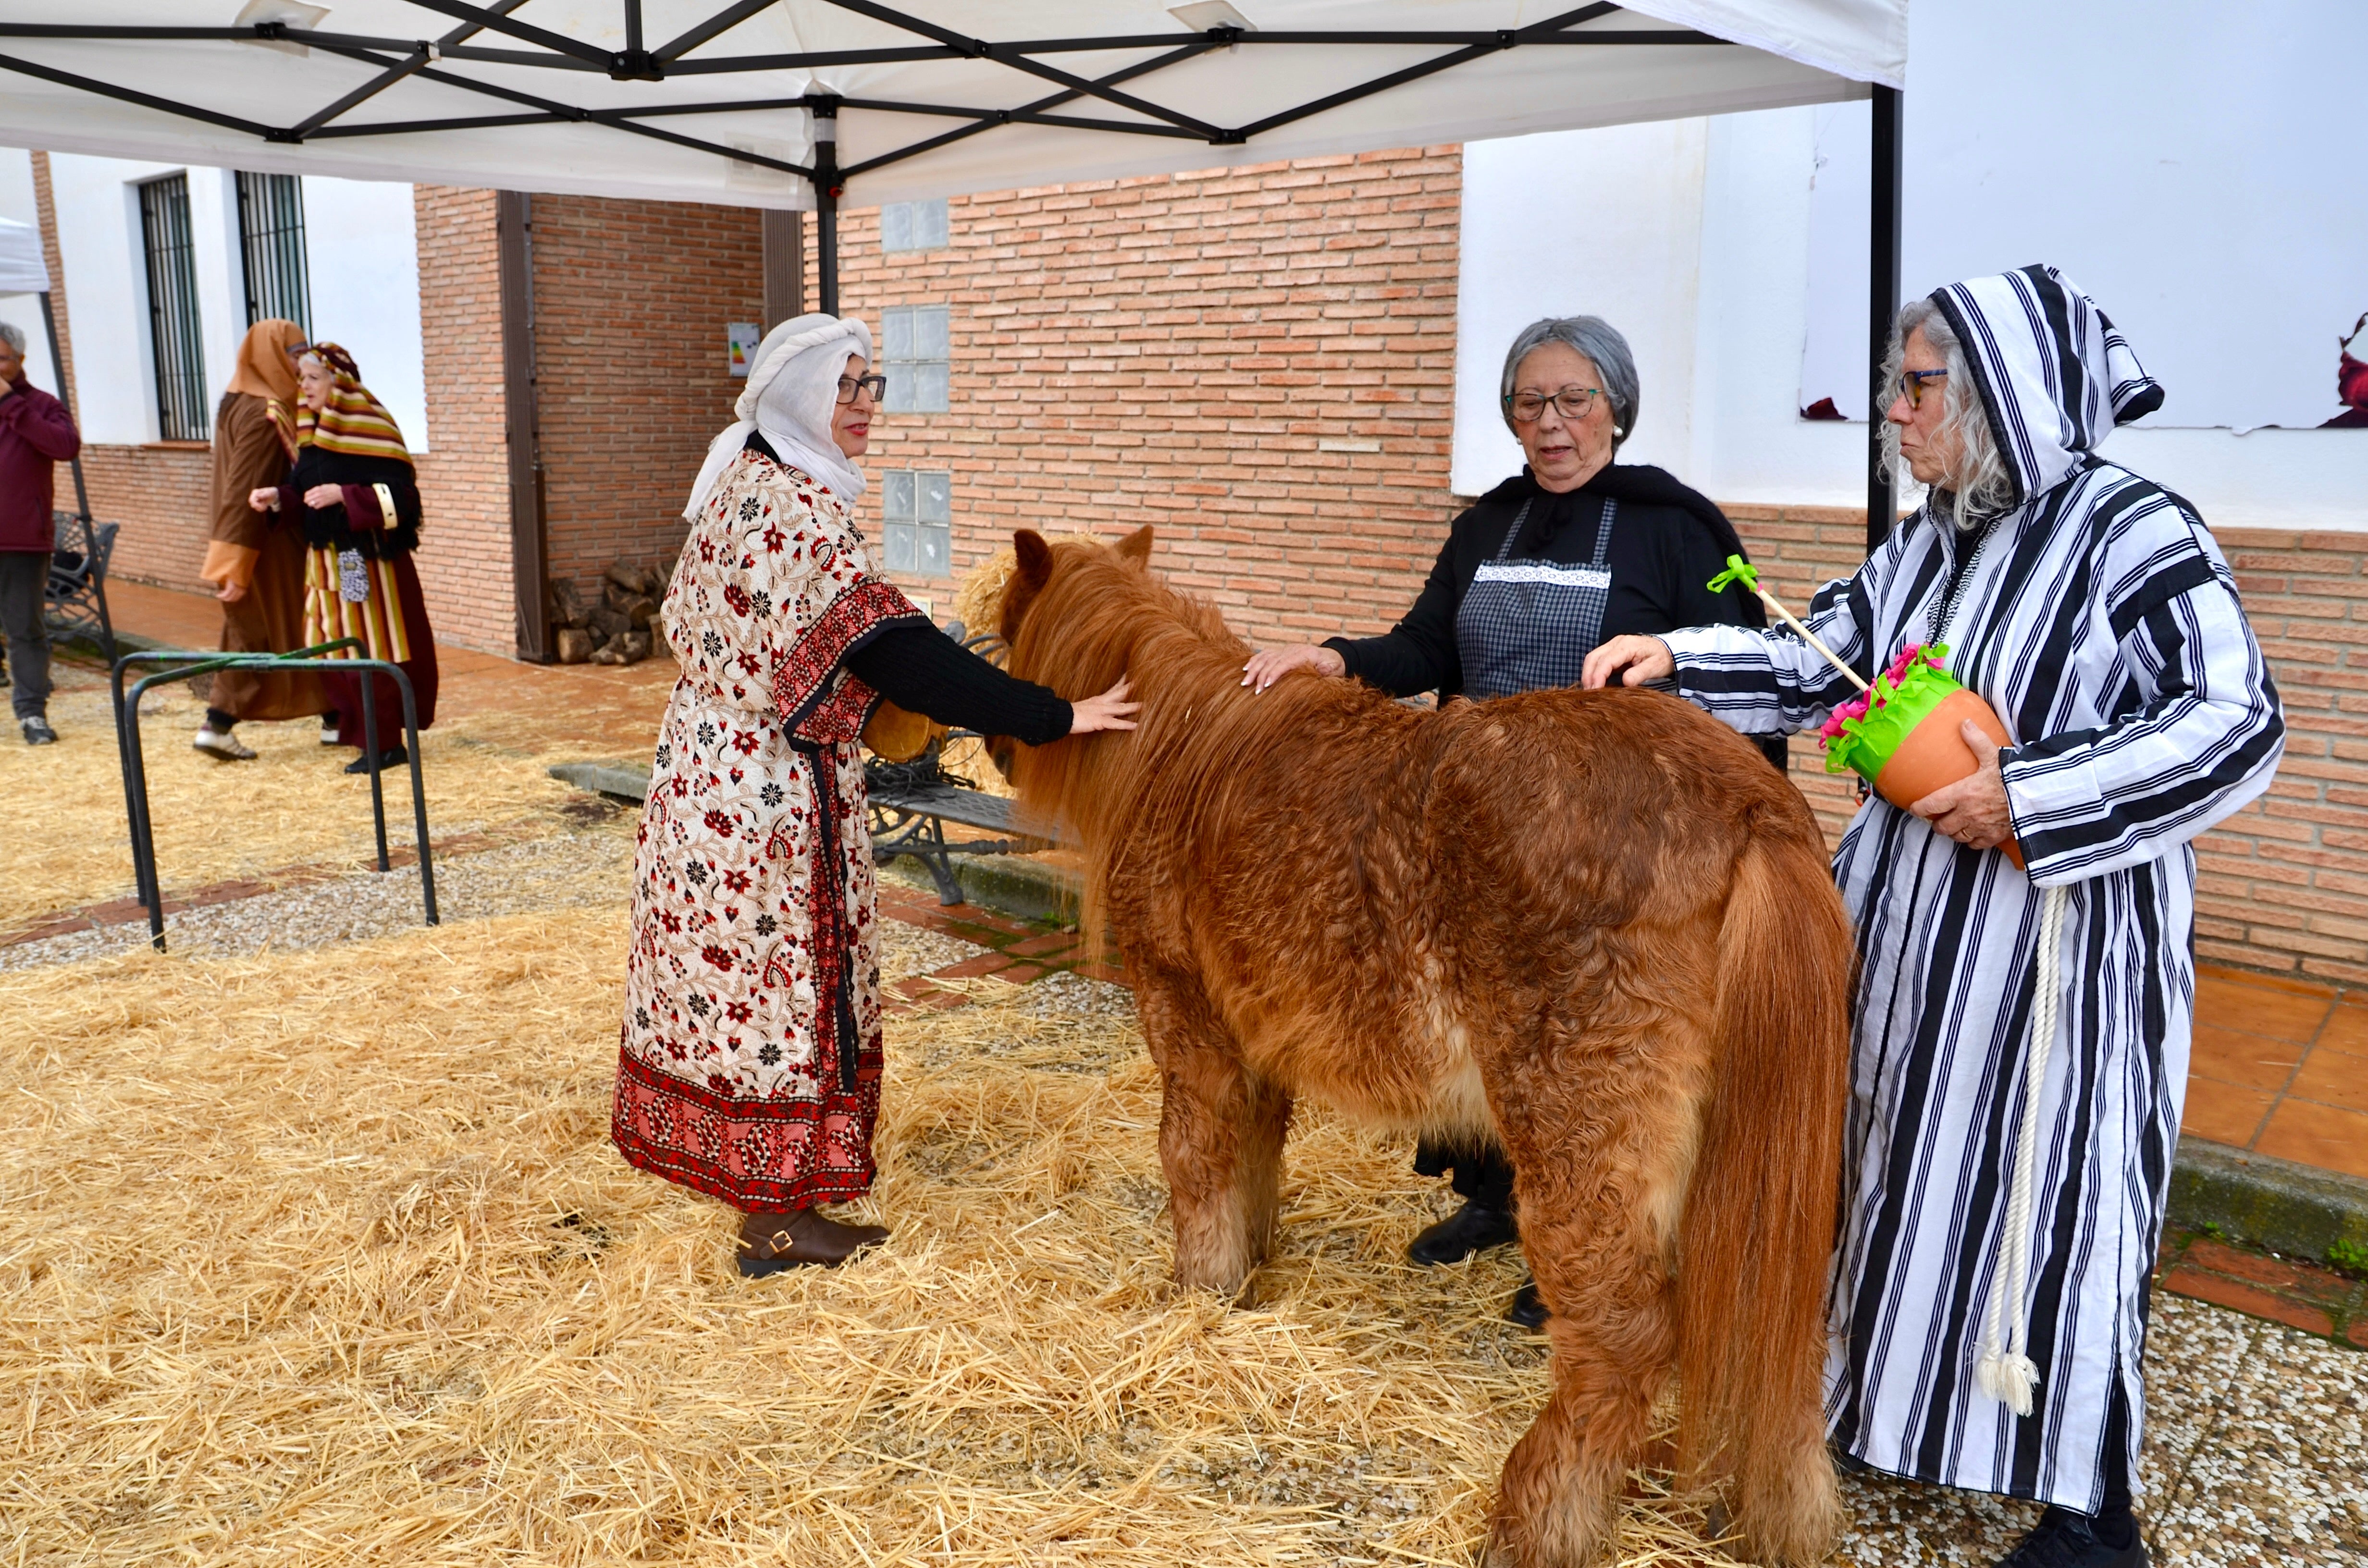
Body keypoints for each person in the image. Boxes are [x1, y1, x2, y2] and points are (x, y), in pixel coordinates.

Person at [1584, 266, 2284, 1568]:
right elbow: (1819, 661)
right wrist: (1678, 656)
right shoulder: (1929, 545)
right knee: (1897, 1171)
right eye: (1896, 388)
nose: (1892, 416)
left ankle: (2090, 1509)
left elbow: (2237, 722)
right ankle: (1887, 1415)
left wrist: (2032, 794)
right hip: (1908, 940)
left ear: (2003, 399)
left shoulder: (2139, 535)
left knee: (2060, 1202)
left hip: (2059, 962)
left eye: (1916, 388)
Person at [1240, 314, 1784, 1330]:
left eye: (1574, 399)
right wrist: (1333, 657)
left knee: (1576, 1045)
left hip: (1611, 847)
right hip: (1486, 832)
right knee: (1490, 1025)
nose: (1551, 423)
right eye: (1529, 403)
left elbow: (1737, 680)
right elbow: (1424, 648)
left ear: (1616, 407)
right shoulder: (1486, 525)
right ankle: (1498, 1201)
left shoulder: (1682, 529)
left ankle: (1589, 1239)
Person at [610, 314, 1137, 1274]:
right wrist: (1050, 714)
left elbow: (859, 633)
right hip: (759, 795)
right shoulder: (786, 504)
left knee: (760, 1000)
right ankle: (776, 1228)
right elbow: (895, 650)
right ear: (799, 393)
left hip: (714, 774)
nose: (864, 405)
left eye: (871, 383)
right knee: (786, 999)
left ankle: (778, 1213)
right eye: (845, 385)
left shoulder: (751, 480)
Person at [248, 343, 437, 773]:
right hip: (322, 565)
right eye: (301, 379)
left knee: (368, 652)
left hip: (362, 563)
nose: (304, 387)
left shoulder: (374, 432)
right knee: (328, 651)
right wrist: (278, 497)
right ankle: (363, 735)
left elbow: (405, 500)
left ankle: (386, 745)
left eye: (313, 378)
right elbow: (305, 495)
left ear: (340, 385)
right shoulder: (313, 437)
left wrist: (346, 495)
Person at [194, 318, 329, 760]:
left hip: (265, 540)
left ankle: (334, 715)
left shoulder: (244, 401)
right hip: (264, 546)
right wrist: (234, 561)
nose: (301, 360)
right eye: (294, 352)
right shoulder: (263, 410)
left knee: (289, 627)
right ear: (270, 355)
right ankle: (218, 723)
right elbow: (243, 489)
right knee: (264, 630)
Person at [0, 319, 81, 746]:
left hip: (22, 543)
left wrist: (12, 405)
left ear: (20, 360)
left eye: (1, 359)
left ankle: (32, 715)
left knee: (26, 632)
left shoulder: (42, 406)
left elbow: (65, 447)